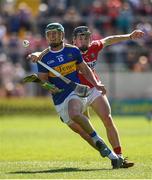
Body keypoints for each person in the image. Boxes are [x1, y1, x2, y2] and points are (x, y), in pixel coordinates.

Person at [28, 22, 124, 169]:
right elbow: (43, 79)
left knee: (84, 115)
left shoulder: (73, 51)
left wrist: (97, 84)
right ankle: (111, 156)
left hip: (78, 92)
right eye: (50, 34)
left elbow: (85, 69)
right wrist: (49, 86)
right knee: (83, 132)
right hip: (60, 100)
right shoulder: (44, 57)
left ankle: (118, 155)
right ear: (46, 37)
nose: (53, 36)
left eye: (56, 33)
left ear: (62, 35)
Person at [70, 26, 144, 167]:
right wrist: (38, 54)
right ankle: (110, 155)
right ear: (74, 40)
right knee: (86, 130)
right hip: (75, 93)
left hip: (93, 89)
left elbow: (109, 39)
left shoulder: (94, 46)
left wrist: (130, 36)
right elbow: (51, 52)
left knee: (107, 118)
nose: (84, 40)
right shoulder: (68, 51)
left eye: (86, 37)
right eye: (80, 38)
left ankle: (119, 156)